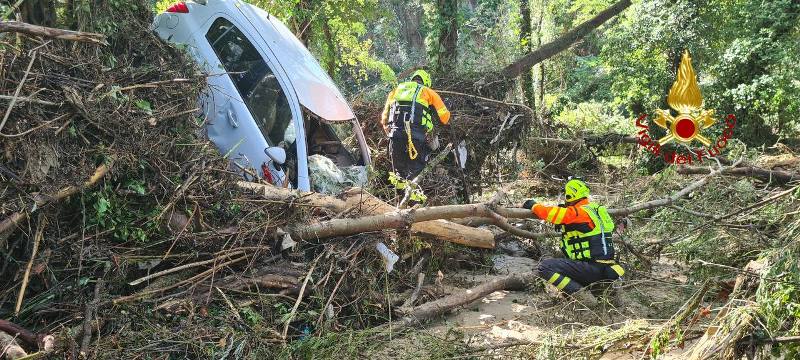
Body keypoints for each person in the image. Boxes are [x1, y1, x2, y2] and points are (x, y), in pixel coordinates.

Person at [521, 177, 624, 295]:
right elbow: (584, 225)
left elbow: (549, 213)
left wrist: (533, 205)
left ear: (570, 196)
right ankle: (597, 290)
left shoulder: (578, 213)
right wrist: (566, 223)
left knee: (545, 267)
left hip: (591, 268)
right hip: (608, 267)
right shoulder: (599, 210)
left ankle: (581, 295)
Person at [381, 70, 451, 202]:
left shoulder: (396, 90)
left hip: (395, 136)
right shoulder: (428, 92)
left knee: (398, 174)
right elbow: (445, 118)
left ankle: (399, 204)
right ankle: (412, 205)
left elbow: (384, 118)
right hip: (416, 137)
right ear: (426, 82)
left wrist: (389, 132)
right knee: (415, 172)